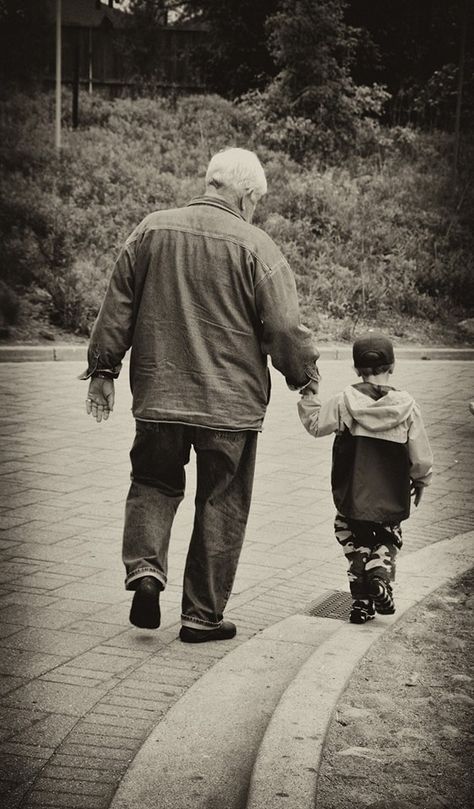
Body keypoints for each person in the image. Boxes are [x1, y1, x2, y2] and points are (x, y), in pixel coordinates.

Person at [81, 147, 319, 643]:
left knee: (152, 482)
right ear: (246, 193)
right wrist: (305, 379)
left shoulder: (151, 229)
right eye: (256, 201)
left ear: (211, 182)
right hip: (230, 409)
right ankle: (200, 616)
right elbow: (284, 328)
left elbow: (117, 304)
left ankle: (146, 573)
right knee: (222, 502)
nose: (254, 209)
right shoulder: (258, 247)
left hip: (160, 397)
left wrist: (104, 369)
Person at [298, 332, 433, 624]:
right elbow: (420, 456)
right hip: (391, 496)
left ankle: (360, 603)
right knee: (388, 537)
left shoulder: (344, 402)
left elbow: (315, 424)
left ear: (356, 369)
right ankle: (380, 574)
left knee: (353, 539)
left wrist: (309, 395)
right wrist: (421, 481)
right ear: (393, 366)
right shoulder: (407, 407)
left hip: (352, 495)